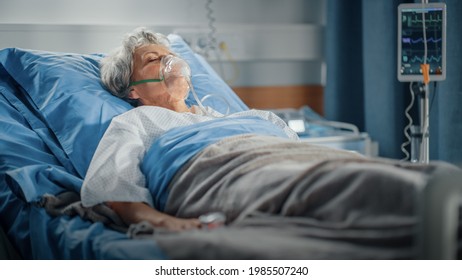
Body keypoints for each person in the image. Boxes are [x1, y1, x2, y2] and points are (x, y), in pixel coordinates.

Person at [81, 27, 459, 237]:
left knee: (373, 171)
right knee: (366, 187)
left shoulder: (230, 116)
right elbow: (118, 197)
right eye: (153, 59)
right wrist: (176, 225)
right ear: (132, 90)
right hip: (222, 171)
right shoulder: (134, 122)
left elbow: (294, 156)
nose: (169, 62)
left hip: (282, 158)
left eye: (169, 54)